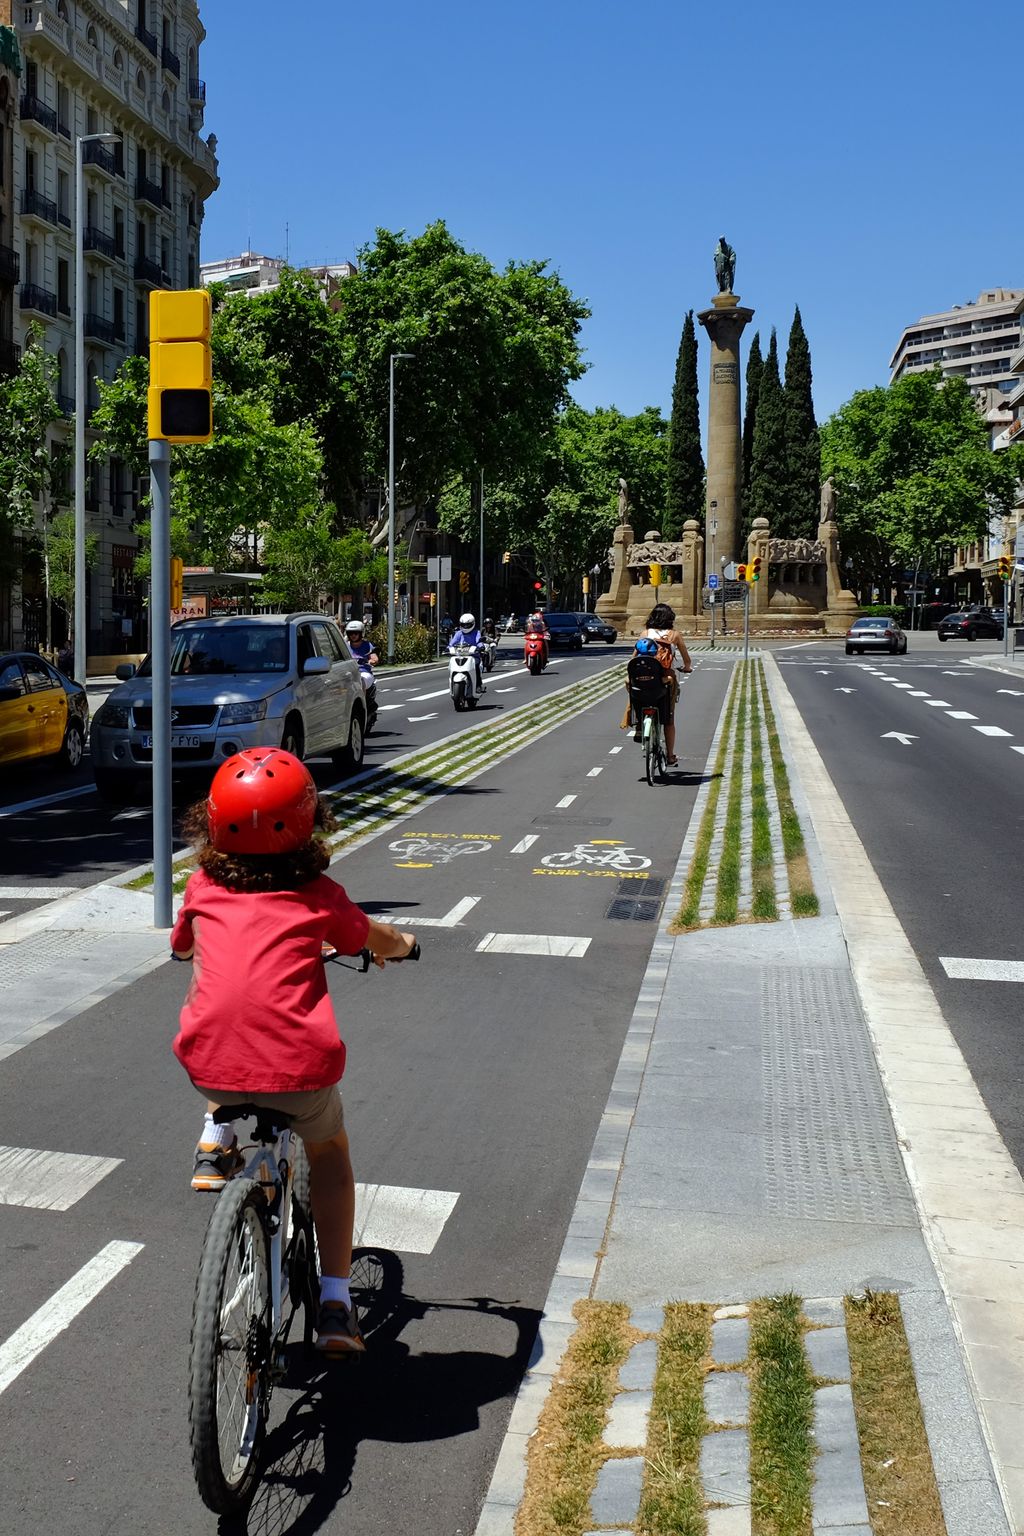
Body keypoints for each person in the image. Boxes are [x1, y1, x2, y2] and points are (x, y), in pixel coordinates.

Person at [170, 747, 417, 1356]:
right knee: (329, 1154)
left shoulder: (202, 886)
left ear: (213, 822)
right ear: (308, 823)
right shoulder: (319, 895)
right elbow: (371, 935)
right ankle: (335, 1300)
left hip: (212, 1070)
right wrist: (405, 944)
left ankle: (217, 1135)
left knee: (215, 1020)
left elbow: (182, 951)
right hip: (300, 1075)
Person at [630, 603, 692, 765]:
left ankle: (638, 723)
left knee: (632, 690)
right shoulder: (674, 636)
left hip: (642, 681)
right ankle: (670, 756)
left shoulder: (645, 633)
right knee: (669, 720)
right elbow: (687, 661)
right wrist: (686, 668)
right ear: (670, 619)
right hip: (664, 680)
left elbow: (633, 659)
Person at [448, 611, 485, 692]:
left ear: (472, 624)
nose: (465, 626)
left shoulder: (476, 632)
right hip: (459, 655)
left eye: (467, 625)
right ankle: (452, 685)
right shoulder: (458, 633)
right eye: (463, 625)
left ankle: (478, 685)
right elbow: (452, 642)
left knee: (477, 665)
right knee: (451, 665)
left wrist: (481, 647)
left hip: (473, 655)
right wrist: (448, 647)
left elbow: (478, 641)